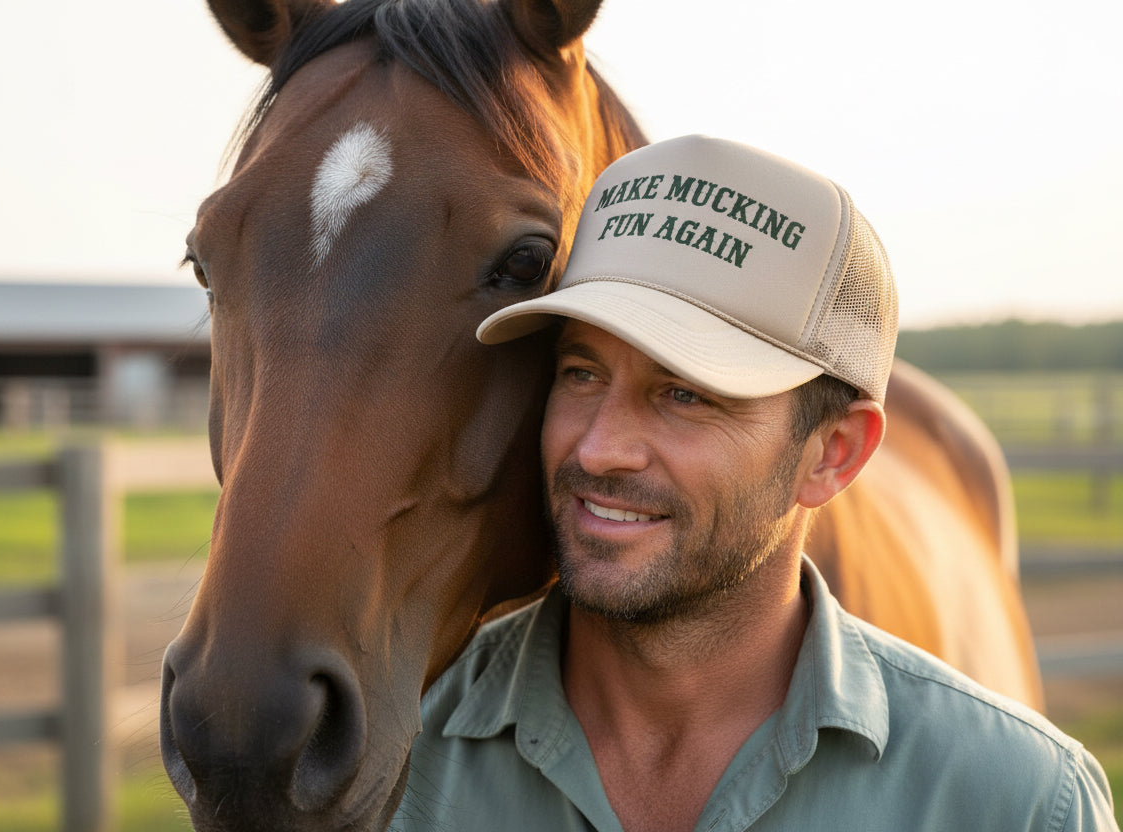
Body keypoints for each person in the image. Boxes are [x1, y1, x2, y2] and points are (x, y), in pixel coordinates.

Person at [390, 135, 1117, 832]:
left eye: (685, 394)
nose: (600, 446)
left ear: (832, 453)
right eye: (581, 373)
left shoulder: (1021, 805)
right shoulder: (390, 763)